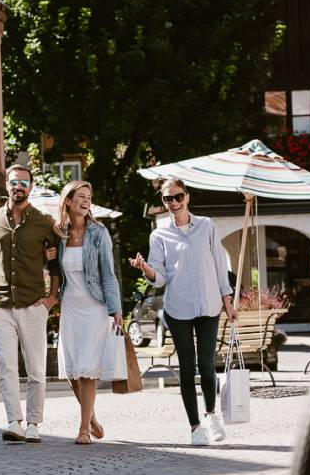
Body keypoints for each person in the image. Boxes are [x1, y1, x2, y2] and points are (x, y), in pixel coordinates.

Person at [130, 179, 237, 445]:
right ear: (163, 202)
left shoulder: (207, 226)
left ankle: (212, 415)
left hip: (209, 304)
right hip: (178, 308)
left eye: (178, 197)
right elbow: (161, 278)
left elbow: (219, 266)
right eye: (168, 199)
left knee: (208, 365)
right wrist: (146, 270)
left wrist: (228, 302)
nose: (174, 203)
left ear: (187, 197)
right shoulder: (159, 235)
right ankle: (195, 427)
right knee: (187, 368)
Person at [0, 165, 61, 442]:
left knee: (36, 368)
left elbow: (55, 263)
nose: (18, 187)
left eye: (24, 182)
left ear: (31, 187)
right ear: (6, 185)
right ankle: (14, 421)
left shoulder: (45, 223)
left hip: (33, 304)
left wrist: (51, 298)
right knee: (7, 366)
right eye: (14, 182)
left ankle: (34, 423)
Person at [54, 181, 123, 444]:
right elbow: (52, 267)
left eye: (89, 197)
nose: (86, 201)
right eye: (80, 197)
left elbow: (109, 273)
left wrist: (115, 309)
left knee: (87, 369)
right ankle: (91, 416)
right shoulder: (59, 233)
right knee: (72, 370)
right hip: (70, 306)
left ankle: (83, 429)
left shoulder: (99, 233)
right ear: (68, 201)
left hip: (95, 307)